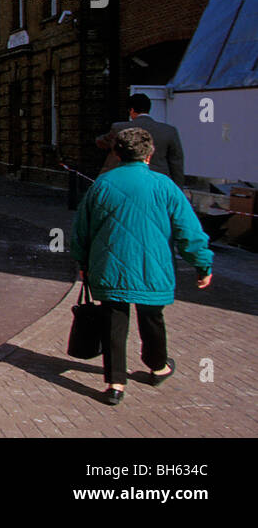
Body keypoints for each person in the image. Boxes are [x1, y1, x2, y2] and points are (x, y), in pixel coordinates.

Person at [72, 127, 213, 406]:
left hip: (109, 266)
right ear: (149, 154)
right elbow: (188, 231)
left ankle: (115, 384)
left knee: (113, 322)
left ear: (117, 153)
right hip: (152, 267)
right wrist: (202, 265)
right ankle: (158, 366)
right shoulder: (165, 186)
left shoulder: (101, 184)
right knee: (152, 318)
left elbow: (81, 231)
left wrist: (84, 264)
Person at [96, 93, 186, 186]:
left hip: (127, 181)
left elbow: (102, 142)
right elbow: (176, 163)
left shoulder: (120, 128)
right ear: (149, 109)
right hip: (159, 182)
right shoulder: (169, 131)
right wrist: (178, 187)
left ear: (131, 110)